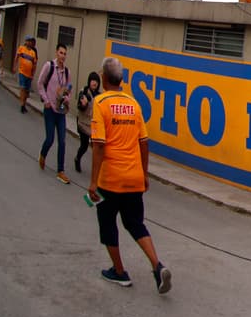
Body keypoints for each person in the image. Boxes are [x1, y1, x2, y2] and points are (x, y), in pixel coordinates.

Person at [89, 56, 171, 293]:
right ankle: (158, 266)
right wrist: (144, 174)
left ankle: (119, 271)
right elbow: (144, 142)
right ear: (121, 79)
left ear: (104, 78)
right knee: (135, 223)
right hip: (134, 177)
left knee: (107, 224)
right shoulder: (134, 104)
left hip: (109, 180)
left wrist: (93, 182)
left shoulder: (101, 103)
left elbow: (99, 145)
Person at [36, 44, 72, 183]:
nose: (63, 56)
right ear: (56, 53)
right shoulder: (49, 66)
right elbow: (40, 83)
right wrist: (46, 100)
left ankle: (60, 171)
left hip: (61, 110)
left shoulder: (67, 72)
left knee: (62, 141)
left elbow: (68, 89)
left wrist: (67, 98)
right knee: (50, 139)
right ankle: (43, 154)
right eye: (61, 53)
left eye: (65, 54)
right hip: (50, 108)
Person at [74, 71, 101, 173]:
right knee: (84, 146)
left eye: (97, 81)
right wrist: (84, 104)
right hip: (83, 124)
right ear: (89, 81)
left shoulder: (99, 95)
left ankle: (96, 170)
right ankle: (77, 158)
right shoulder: (84, 91)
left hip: (94, 125)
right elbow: (80, 106)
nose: (94, 83)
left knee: (96, 148)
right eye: (93, 81)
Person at [15, 36, 37, 113]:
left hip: (29, 74)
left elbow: (34, 64)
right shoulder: (21, 48)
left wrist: (33, 73)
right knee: (23, 88)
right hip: (22, 72)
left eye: (30, 41)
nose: (29, 42)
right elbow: (17, 57)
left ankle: (24, 104)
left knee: (27, 91)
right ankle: (22, 105)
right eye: (28, 41)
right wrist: (15, 66)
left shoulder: (33, 52)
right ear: (26, 41)